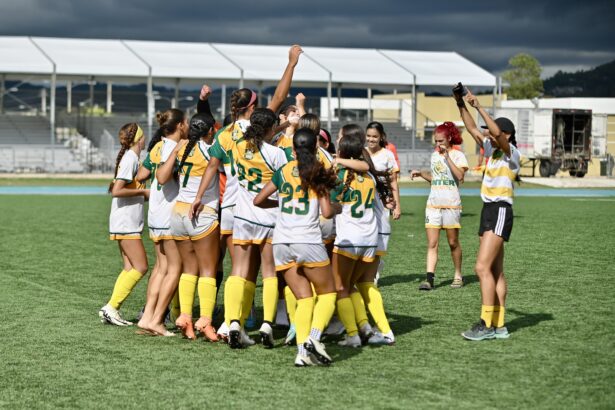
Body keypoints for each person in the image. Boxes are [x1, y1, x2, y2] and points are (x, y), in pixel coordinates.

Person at [190, 45, 304, 346]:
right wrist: (291, 64)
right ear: (255, 109)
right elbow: (279, 99)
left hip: (232, 209)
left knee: (230, 269)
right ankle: (264, 322)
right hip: (264, 212)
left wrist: (199, 197)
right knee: (264, 270)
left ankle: (229, 321)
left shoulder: (227, 135)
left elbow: (212, 165)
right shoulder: (272, 148)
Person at [254, 128, 340, 366]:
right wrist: (337, 208)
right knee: (328, 293)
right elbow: (325, 212)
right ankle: (313, 338)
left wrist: (280, 203)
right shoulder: (317, 171)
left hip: (281, 242)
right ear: (315, 148)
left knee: (304, 298)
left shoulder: (282, 171)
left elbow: (258, 200)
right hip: (307, 240)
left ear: (292, 149)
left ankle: (302, 353)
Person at [454, 85, 520, 341]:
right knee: (494, 271)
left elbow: (494, 133)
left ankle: (487, 324)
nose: (489, 136)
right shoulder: (492, 151)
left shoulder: (511, 152)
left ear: (506, 134)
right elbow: (472, 127)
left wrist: (480, 106)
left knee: (481, 267)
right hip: (488, 211)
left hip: (501, 210)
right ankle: (499, 324)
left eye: (495, 133)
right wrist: (460, 103)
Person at [156, 111, 220, 342]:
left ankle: (185, 316)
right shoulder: (211, 150)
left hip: (178, 213)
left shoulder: (182, 148)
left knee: (189, 269)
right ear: (210, 130)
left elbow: (163, 173)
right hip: (201, 213)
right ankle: (205, 319)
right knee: (208, 270)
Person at [331, 125, 394, 348]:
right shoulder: (369, 175)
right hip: (370, 237)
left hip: (349, 238)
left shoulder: (340, 174)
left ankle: (352, 334)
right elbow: (366, 166)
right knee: (358, 283)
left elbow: (329, 207)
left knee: (340, 287)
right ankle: (369, 328)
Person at [139, 109, 188, 336]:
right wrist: (176, 153)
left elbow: (142, 174)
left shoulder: (158, 145)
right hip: (169, 215)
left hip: (156, 213)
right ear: (179, 125)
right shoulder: (174, 148)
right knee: (174, 269)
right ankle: (157, 319)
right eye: (185, 122)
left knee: (160, 267)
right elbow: (161, 177)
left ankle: (147, 316)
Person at [99, 123, 149, 326]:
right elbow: (117, 190)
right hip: (126, 221)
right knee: (141, 267)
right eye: (144, 136)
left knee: (129, 267)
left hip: (124, 220)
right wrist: (144, 193)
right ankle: (111, 307)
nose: (146, 139)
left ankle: (112, 309)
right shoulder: (130, 158)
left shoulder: (131, 157)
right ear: (138, 139)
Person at [410, 121, 468, 290]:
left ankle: (458, 275)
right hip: (433, 204)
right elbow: (436, 179)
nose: (438, 144)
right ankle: (429, 279)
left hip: (451, 204)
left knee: (453, 243)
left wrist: (447, 157)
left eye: (441, 141)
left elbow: (460, 176)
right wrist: (421, 174)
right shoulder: (434, 155)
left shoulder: (458, 155)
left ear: (449, 138)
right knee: (432, 243)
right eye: (436, 141)